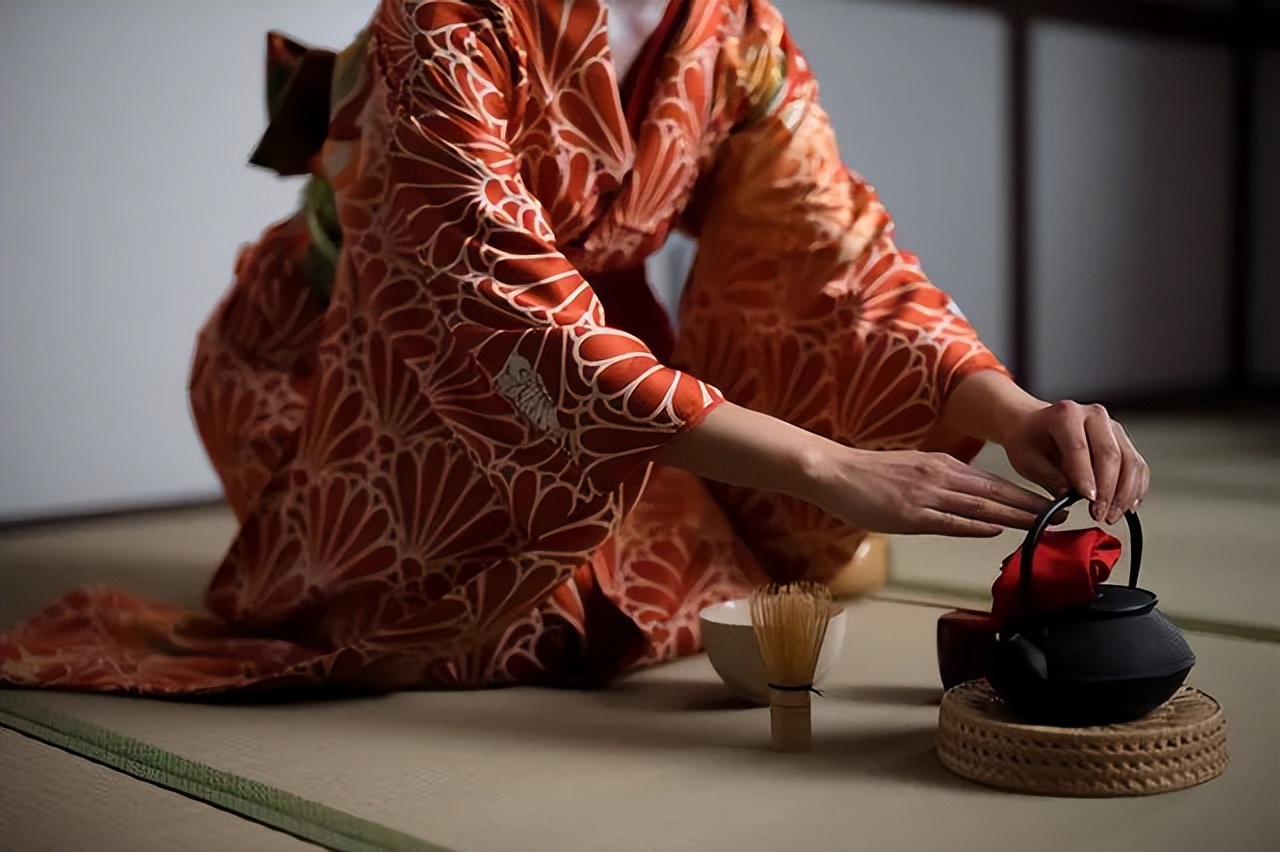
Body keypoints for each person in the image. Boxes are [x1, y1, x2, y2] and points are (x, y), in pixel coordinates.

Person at [0, 0, 1147, 695]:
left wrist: (1008, 410)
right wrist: (821, 463)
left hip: (578, 355)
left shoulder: (738, 29)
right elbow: (478, 297)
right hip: (361, 365)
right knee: (543, 625)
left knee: (710, 585)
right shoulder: (450, 15)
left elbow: (828, 256)